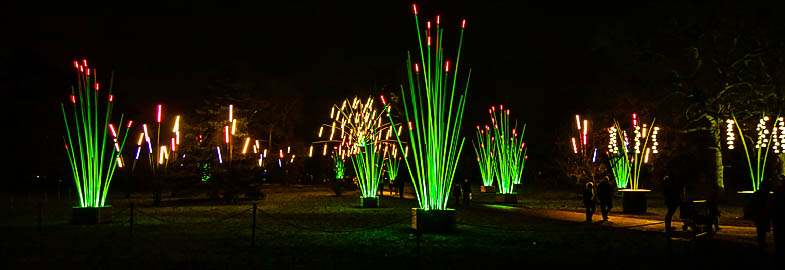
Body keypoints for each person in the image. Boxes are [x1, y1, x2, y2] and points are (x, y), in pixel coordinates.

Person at [751, 178, 773, 249]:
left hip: (759, 214)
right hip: (763, 214)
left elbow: (752, 204)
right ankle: (762, 242)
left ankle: (761, 242)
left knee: (760, 229)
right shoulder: (767, 194)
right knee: (762, 229)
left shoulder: (757, 194)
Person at [773, 175, 785, 254]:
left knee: (779, 234)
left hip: (779, 216)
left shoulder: (778, 192)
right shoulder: (777, 192)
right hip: (778, 217)